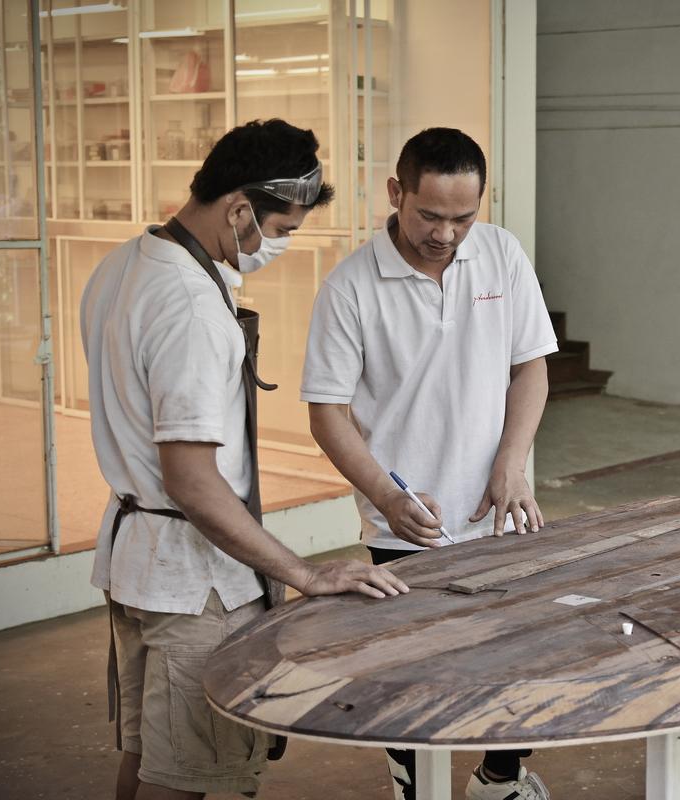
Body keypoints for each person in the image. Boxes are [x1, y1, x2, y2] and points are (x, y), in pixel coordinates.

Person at [81, 118, 410, 800]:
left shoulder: (125, 263)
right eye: (281, 230)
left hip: (135, 562)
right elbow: (194, 483)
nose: (278, 246)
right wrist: (302, 574)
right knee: (188, 772)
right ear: (238, 209)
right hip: (192, 582)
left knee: (149, 759)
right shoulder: (193, 309)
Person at [301, 127, 557, 800]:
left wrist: (513, 462)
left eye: (463, 218)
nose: (446, 234)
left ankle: (500, 778)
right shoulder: (350, 288)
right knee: (414, 678)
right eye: (430, 216)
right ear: (396, 193)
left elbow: (531, 368)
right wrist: (386, 497)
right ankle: (414, 782)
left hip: (503, 510)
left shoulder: (500, 253)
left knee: (523, 658)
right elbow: (325, 412)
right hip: (407, 524)